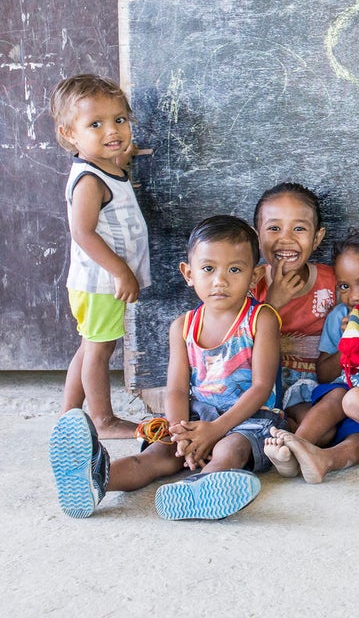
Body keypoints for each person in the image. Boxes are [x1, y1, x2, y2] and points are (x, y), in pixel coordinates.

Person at [49, 215, 281, 520]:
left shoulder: (261, 319)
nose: (220, 280)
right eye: (208, 269)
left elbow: (261, 387)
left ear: (255, 276)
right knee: (154, 456)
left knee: (231, 450)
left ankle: (201, 489)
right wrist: (181, 432)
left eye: (235, 269)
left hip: (248, 418)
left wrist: (215, 431)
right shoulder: (183, 326)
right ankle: (95, 477)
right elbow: (175, 389)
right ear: (189, 273)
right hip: (194, 417)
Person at [50, 74, 151, 439]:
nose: (113, 130)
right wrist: (121, 272)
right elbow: (83, 232)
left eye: (119, 120)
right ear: (69, 134)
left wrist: (120, 160)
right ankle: (103, 420)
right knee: (99, 348)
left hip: (100, 282)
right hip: (101, 282)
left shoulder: (104, 168)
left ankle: (69, 414)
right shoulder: (89, 180)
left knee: (90, 343)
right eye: (96, 124)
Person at [264, 228, 359, 482]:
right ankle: (298, 445)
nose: (355, 295)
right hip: (338, 400)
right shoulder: (339, 315)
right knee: (336, 394)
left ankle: (324, 461)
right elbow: (324, 374)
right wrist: (347, 342)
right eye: (345, 286)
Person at [251, 182, 337, 426]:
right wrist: (272, 304)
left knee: (322, 421)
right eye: (274, 228)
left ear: (317, 237)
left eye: (299, 228)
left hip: (318, 388)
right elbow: (239, 346)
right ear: (257, 237)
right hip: (264, 388)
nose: (285, 239)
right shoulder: (248, 284)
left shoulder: (331, 282)